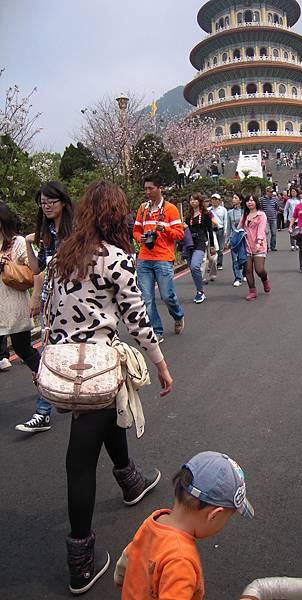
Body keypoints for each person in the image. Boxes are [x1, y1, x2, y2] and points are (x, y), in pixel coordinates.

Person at [49, 180, 173, 595]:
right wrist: (161, 365)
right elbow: (138, 319)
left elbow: (52, 311)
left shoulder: (65, 253)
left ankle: (130, 481)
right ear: (118, 215)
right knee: (79, 461)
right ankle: (80, 562)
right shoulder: (116, 259)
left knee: (109, 412)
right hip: (96, 363)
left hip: (64, 360)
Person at [114, 451, 253, 599]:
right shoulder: (181, 561)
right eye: (226, 519)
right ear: (214, 515)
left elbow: (127, 559)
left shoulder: (154, 521)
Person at [16, 181, 74, 433]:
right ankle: (43, 412)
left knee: (75, 355)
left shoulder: (75, 231)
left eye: (51, 201)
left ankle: (86, 400)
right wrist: (30, 243)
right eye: (43, 203)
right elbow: (38, 270)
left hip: (76, 304)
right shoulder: (48, 232)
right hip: (52, 304)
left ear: (63, 202)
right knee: (48, 355)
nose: (47, 206)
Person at [134, 175, 185, 344]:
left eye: (150, 188)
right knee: (146, 299)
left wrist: (165, 229)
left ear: (159, 188)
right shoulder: (142, 209)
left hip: (163, 258)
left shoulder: (170, 209)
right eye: (145, 188)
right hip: (144, 259)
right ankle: (157, 330)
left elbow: (179, 234)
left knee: (167, 295)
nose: (147, 192)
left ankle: (178, 315)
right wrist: (139, 238)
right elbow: (136, 230)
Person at [0, 202, 41, 391]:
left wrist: (35, 298)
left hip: (14, 307)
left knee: (22, 348)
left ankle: (47, 379)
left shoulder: (17, 242)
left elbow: (37, 270)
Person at [185, 193, 215, 304]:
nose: (193, 202)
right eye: (191, 200)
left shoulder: (206, 214)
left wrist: (212, 245)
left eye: (195, 200)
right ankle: (200, 290)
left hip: (200, 242)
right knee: (192, 269)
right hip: (189, 243)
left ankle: (200, 292)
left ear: (199, 201)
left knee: (194, 266)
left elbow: (210, 230)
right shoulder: (188, 215)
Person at [240, 195, 271, 301]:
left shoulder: (261, 215)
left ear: (256, 202)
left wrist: (259, 242)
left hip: (259, 246)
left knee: (259, 269)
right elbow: (239, 229)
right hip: (247, 246)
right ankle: (252, 291)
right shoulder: (245, 215)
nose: (250, 203)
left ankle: (265, 279)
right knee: (248, 270)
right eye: (248, 201)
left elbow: (261, 230)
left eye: (252, 201)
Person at [226, 193, 245, 286]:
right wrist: (227, 240)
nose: (233, 199)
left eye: (235, 198)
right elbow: (228, 227)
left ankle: (245, 273)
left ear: (240, 200)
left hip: (244, 238)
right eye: (232, 197)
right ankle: (238, 278)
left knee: (244, 258)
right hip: (234, 238)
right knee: (234, 259)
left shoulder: (245, 211)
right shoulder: (229, 212)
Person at [210, 193, 227, 270]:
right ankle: (212, 264)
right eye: (213, 199)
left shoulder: (223, 210)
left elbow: (225, 220)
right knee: (212, 248)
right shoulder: (208, 210)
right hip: (212, 231)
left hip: (220, 230)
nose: (214, 201)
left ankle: (219, 264)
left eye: (216, 199)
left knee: (220, 248)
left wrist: (226, 230)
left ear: (219, 201)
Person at [259, 185, 278, 251]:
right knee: (266, 233)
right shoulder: (261, 199)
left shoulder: (274, 199)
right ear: (266, 192)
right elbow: (260, 208)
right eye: (270, 192)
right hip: (265, 219)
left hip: (273, 218)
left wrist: (275, 213)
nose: (271, 193)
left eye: (272, 192)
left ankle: (273, 246)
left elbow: (276, 207)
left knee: (274, 233)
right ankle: (266, 246)